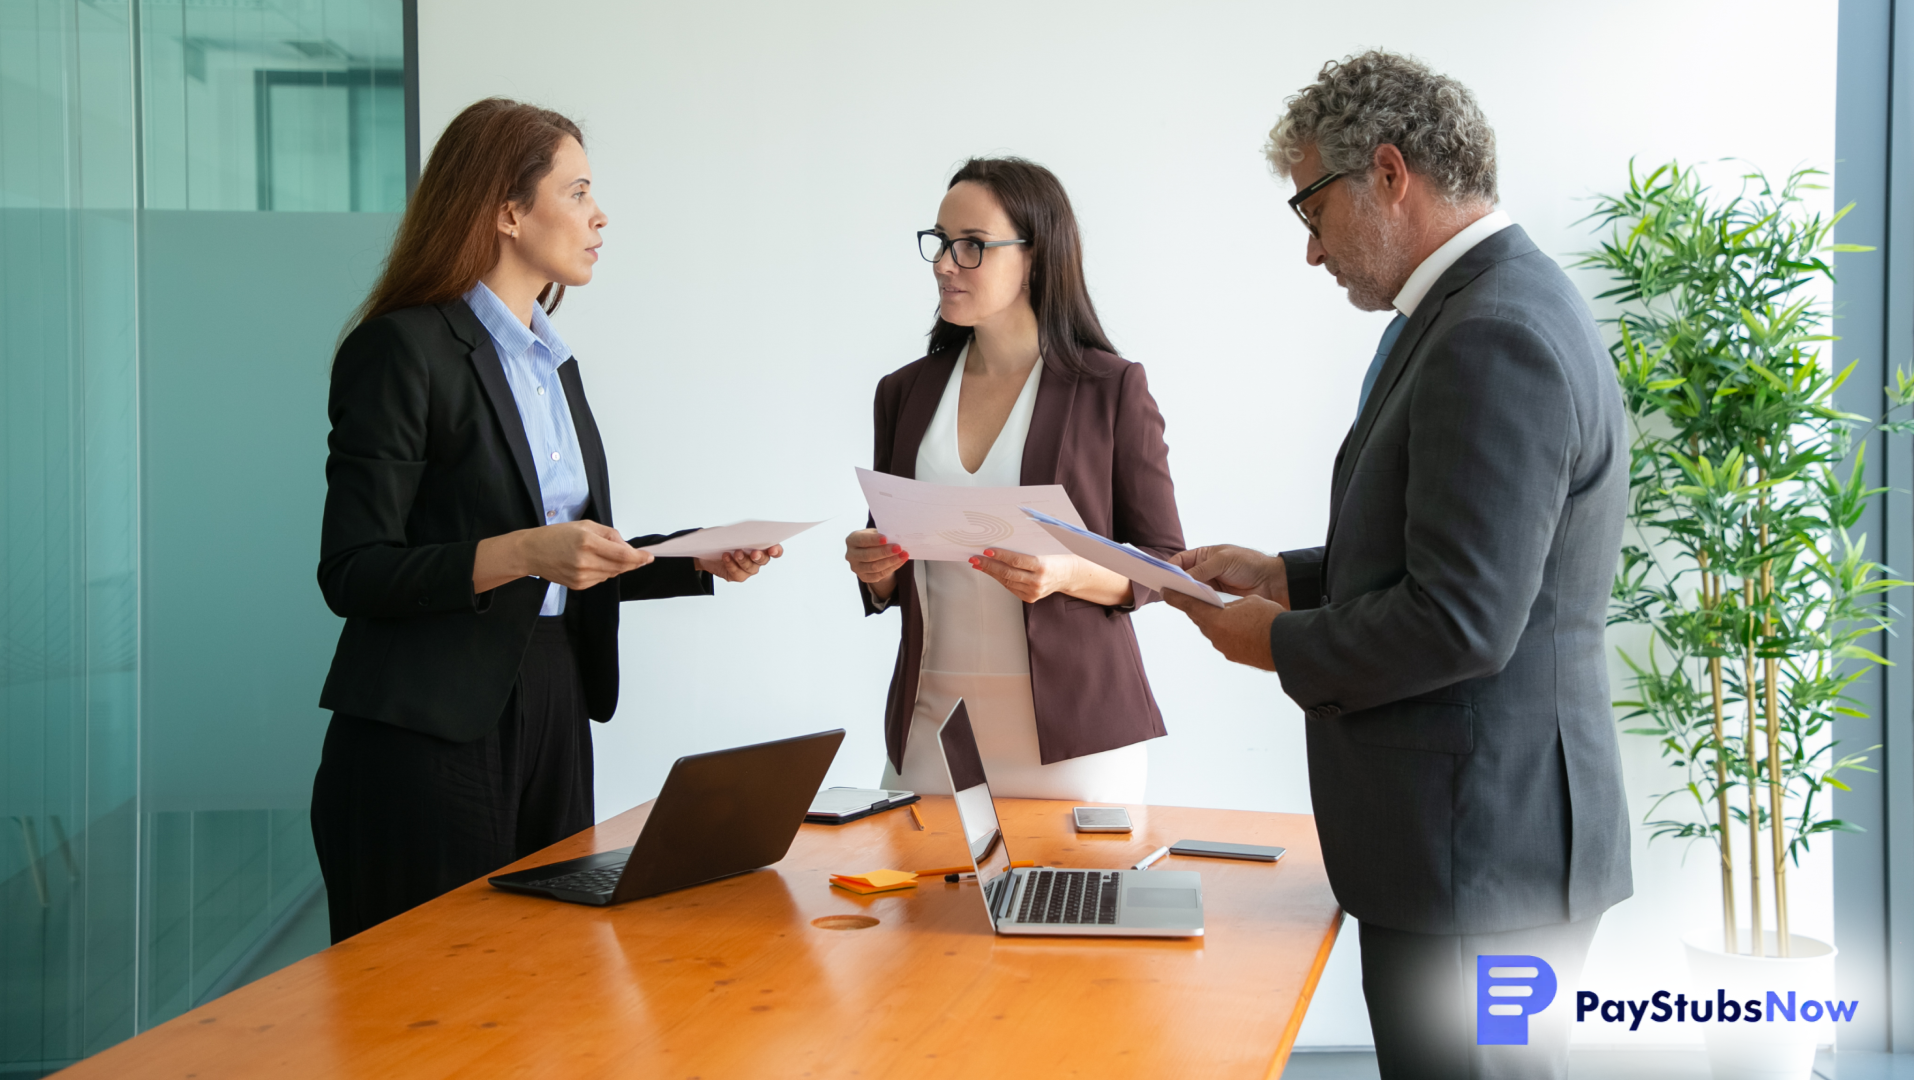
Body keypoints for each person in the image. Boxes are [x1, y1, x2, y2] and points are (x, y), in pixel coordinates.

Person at [1163, 53, 1632, 1079]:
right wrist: (1288, 576)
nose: (1311, 250)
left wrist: (1273, 643)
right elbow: (1462, 551)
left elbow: (1462, 619)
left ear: (1388, 173)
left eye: (1310, 209)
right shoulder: (1490, 306)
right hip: (1483, 853)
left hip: (1480, 861)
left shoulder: (1492, 332)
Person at [311, 99, 780, 943]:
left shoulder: (550, 362)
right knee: (431, 997)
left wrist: (691, 560)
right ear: (507, 211)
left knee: (546, 976)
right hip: (429, 727)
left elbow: (572, 552)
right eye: (578, 190)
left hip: (557, 695)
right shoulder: (402, 349)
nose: (600, 215)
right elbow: (353, 569)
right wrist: (525, 551)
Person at [842, 157, 1183, 802]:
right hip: (931, 731)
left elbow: (1166, 562)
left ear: (1035, 257)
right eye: (940, 243)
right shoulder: (904, 392)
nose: (945, 263)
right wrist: (876, 567)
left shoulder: (1111, 388)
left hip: (1074, 739)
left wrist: (1069, 573)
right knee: (916, 904)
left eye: (972, 246)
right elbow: (891, 561)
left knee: (1066, 904)